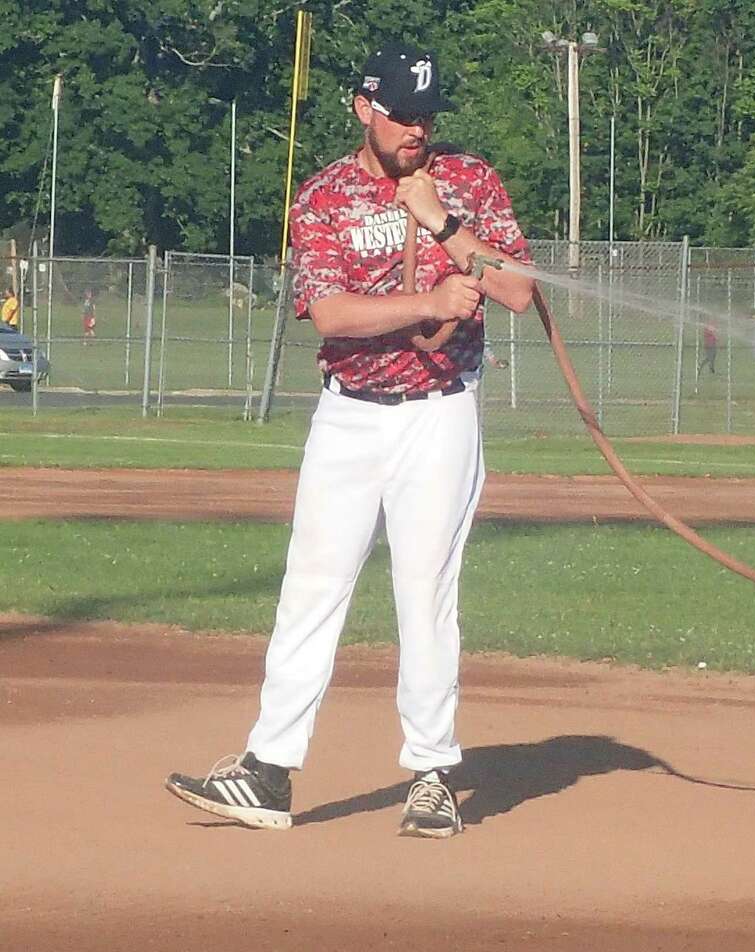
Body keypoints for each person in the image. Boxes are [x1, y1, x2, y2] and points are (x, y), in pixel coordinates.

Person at [165, 41, 534, 839]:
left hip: (439, 413)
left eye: (427, 116)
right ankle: (269, 772)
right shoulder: (324, 196)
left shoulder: (468, 181)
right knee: (310, 588)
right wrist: (429, 298)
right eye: (402, 113)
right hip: (349, 412)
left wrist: (442, 221)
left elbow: (516, 288)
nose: (417, 129)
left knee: (426, 595)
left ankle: (432, 773)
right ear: (365, 107)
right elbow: (329, 314)